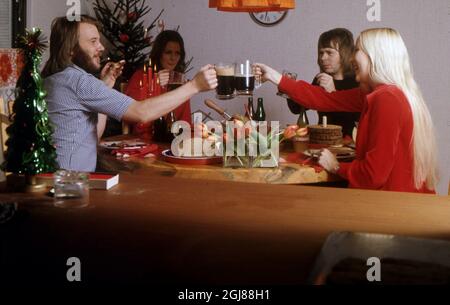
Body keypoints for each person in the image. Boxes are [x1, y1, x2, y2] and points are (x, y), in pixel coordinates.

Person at [256, 28, 438, 193]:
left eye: (357, 50)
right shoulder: (381, 93)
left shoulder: (387, 99)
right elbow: (324, 99)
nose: (351, 58)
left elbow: (373, 176)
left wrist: (336, 167)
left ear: (376, 56)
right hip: (396, 201)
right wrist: (274, 76)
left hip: (392, 208)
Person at [42, 16, 217, 172]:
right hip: (70, 184)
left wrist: (105, 88)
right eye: (93, 41)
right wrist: (195, 85)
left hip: (62, 177)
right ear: (71, 49)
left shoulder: (55, 79)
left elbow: (92, 135)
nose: (101, 47)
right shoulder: (79, 81)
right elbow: (141, 112)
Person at [287, 28, 359, 138]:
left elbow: (357, 121)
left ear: (345, 53)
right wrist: (287, 88)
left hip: (348, 144)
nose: (323, 58)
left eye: (329, 52)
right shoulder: (320, 79)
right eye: (321, 52)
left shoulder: (357, 81)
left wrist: (333, 92)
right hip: (321, 141)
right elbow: (298, 108)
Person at [126, 30, 192, 137]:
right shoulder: (141, 76)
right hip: (144, 139)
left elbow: (185, 122)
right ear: (159, 53)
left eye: (177, 53)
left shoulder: (180, 81)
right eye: (168, 52)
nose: (173, 58)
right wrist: (154, 84)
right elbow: (130, 111)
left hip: (174, 140)